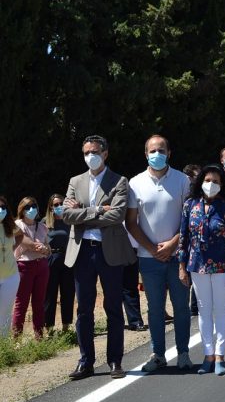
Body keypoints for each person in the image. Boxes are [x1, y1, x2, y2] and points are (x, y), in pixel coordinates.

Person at [63, 135, 136, 380]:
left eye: (94, 152)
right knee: (84, 309)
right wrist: (95, 210)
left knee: (113, 306)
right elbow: (66, 215)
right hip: (82, 250)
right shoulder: (75, 180)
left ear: (105, 153)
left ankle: (115, 360)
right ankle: (86, 361)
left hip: (109, 251)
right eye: (86, 153)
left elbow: (116, 216)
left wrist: (81, 213)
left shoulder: (119, 181)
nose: (89, 156)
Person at [127, 135, 193, 372]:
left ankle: (184, 353)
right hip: (149, 258)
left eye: (161, 150)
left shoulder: (182, 180)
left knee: (181, 307)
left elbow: (188, 217)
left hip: (178, 257)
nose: (157, 154)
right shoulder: (135, 183)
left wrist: (173, 244)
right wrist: (153, 248)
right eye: (153, 150)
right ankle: (158, 354)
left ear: (169, 152)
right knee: (155, 309)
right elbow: (132, 222)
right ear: (146, 154)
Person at [178, 165, 225, 376]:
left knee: (222, 310)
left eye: (216, 181)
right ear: (200, 182)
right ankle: (207, 355)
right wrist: (182, 266)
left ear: (222, 184)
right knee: (204, 312)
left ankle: (220, 356)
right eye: (207, 180)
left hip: (222, 266)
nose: (211, 185)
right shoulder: (190, 205)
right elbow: (183, 237)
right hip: (197, 265)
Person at [13, 197, 51, 338]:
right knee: (21, 303)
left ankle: (39, 336)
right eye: (27, 207)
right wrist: (39, 247)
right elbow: (25, 243)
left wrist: (45, 249)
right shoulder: (17, 225)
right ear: (22, 210)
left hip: (41, 265)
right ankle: (17, 338)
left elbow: (48, 247)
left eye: (33, 206)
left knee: (39, 303)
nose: (31, 210)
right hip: (24, 266)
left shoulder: (42, 226)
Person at [43, 194, 75, 332]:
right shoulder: (45, 223)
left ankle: (66, 327)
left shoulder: (70, 221)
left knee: (68, 293)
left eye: (61, 203)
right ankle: (49, 328)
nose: (59, 206)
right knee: (50, 295)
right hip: (52, 259)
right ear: (51, 207)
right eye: (56, 204)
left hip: (68, 258)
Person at [0, 197, 23, 337]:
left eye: (3, 208)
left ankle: (3, 347)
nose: (1, 210)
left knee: (5, 311)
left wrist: (13, 250)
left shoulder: (10, 225)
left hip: (10, 276)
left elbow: (20, 234)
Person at [183, 164, 202, 317]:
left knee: (196, 276)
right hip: (185, 243)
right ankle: (186, 307)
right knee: (185, 278)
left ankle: (195, 307)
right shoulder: (184, 196)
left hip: (197, 245)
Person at [121, 232, 146, 332]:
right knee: (112, 290)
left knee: (130, 286)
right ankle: (115, 323)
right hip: (111, 247)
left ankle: (135, 321)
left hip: (132, 247)